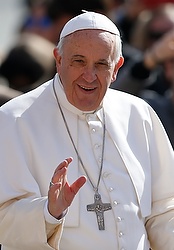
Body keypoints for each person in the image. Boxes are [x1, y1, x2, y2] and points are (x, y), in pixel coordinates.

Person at [0, 11, 174, 250]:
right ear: (58, 59)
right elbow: (3, 220)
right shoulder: (15, 119)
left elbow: (164, 209)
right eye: (79, 61)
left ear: (117, 67)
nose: (89, 76)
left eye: (102, 64)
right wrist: (48, 212)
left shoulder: (139, 114)